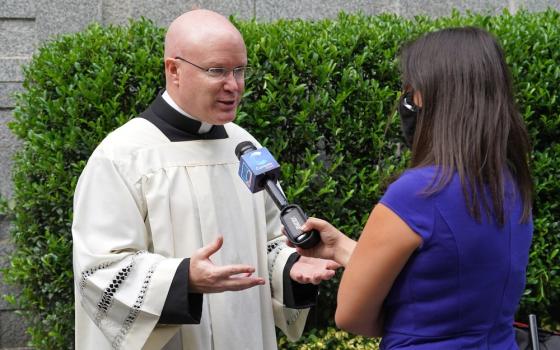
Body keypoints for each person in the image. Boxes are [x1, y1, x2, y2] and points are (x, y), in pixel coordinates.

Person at [72, 9, 339, 350]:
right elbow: (100, 272)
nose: (234, 85)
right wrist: (184, 279)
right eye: (217, 71)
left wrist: (292, 269)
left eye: (239, 70)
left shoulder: (244, 147)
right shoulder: (123, 156)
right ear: (174, 70)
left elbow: (271, 242)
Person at [292, 27, 533, 349]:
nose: (406, 100)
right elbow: (444, 277)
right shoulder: (510, 184)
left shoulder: (418, 193)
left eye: (410, 89)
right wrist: (342, 248)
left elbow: (352, 317)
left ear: (434, 96)